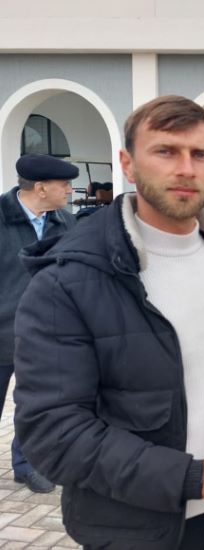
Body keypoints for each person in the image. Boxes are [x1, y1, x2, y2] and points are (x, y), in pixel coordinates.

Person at [14, 96, 204, 550]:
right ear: (128, 163)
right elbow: (53, 433)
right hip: (134, 525)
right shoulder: (67, 279)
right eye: (165, 151)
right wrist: (190, 479)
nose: (186, 168)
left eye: (200, 154)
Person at [0, 154, 78, 494]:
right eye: (65, 185)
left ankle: (26, 464)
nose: (70, 190)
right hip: (1, 333)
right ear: (41, 188)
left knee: (33, 406)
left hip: (43, 334)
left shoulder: (66, 223)